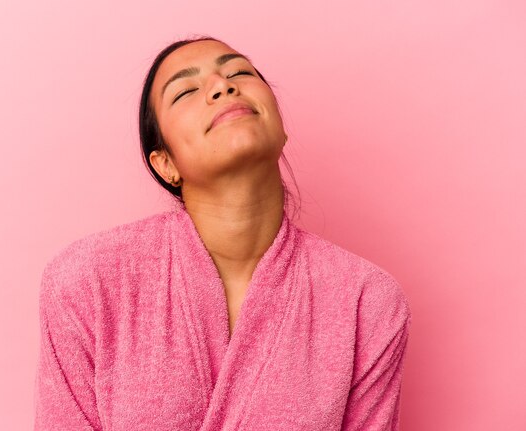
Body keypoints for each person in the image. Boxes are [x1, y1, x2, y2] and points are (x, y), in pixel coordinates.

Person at [34, 35, 412, 431]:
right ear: (166, 164)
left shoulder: (367, 302)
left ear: (281, 129)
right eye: (185, 91)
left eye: (239, 73)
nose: (223, 86)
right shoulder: (85, 282)